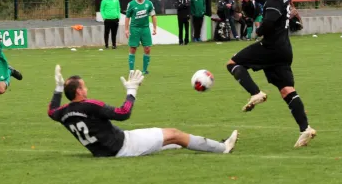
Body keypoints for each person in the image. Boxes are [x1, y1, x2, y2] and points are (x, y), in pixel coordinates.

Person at [47, 65, 239, 157]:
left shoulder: (64, 112)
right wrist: (132, 90)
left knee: (171, 142)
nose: (86, 89)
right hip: (123, 146)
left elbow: (51, 111)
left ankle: (207, 146)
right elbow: (124, 113)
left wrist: (57, 89)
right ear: (79, 91)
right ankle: (223, 148)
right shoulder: (90, 105)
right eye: (84, 86)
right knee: (174, 134)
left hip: (104, 150)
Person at [226, 0, 316, 148]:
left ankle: (256, 93)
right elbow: (268, 3)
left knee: (232, 63)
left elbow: (268, 22)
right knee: (286, 90)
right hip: (284, 50)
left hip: (270, 47)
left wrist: (258, 32)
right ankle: (305, 128)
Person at [125, 0, 157, 75]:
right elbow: (127, 17)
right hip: (134, 29)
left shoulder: (149, 3)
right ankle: (131, 70)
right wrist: (126, 30)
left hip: (145, 29)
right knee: (133, 48)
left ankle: (144, 70)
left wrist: (154, 28)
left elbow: (153, 16)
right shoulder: (131, 4)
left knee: (147, 48)